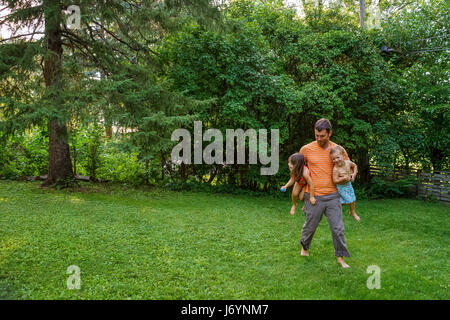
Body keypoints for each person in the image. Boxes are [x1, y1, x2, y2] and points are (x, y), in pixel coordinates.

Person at [299, 118, 352, 268]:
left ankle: (341, 257)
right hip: (313, 196)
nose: (319, 139)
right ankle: (304, 247)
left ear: (330, 133)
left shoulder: (338, 150)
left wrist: (351, 175)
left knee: (338, 228)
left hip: (333, 196)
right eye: (316, 135)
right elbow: (298, 168)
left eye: (322, 136)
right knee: (310, 225)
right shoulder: (306, 149)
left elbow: (348, 165)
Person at [330, 146, 360, 222]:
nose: (336, 160)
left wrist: (353, 175)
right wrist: (343, 178)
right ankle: (333, 207)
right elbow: (335, 181)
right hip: (341, 187)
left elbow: (355, 166)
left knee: (353, 198)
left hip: (348, 184)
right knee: (348, 200)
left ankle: (352, 212)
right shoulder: (336, 169)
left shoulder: (348, 163)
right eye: (333, 159)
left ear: (343, 156)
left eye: (337, 157)